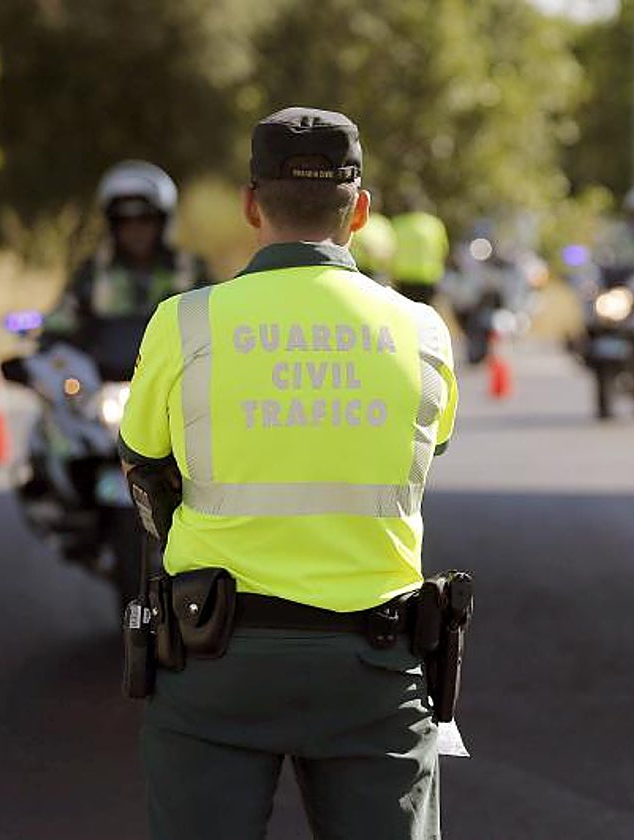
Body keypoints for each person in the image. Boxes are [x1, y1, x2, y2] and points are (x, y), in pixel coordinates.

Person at [118, 107, 458, 839]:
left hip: (217, 662)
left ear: (251, 203)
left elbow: (143, 463)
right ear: (360, 210)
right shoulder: (423, 330)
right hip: (374, 665)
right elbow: (433, 449)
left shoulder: (184, 321)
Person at [43, 160, 212, 378]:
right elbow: (61, 322)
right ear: (113, 225)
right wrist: (44, 348)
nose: (135, 230)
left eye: (145, 219)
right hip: (100, 393)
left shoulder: (190, 271)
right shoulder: (92, 274)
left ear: (162, 221)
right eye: (124, 220)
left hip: (175, 387)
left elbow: (217, 324)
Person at [391, 204, 449, 304]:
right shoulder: (434, 224)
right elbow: (444, 250)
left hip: (404, 275)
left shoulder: (398, 223)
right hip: (427, 275)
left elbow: (390, 250)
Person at [349, 206, 397, 285]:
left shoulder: (383, 222)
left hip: (379, 270)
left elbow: (391, 245)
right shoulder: (356, 218)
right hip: (359, 269)